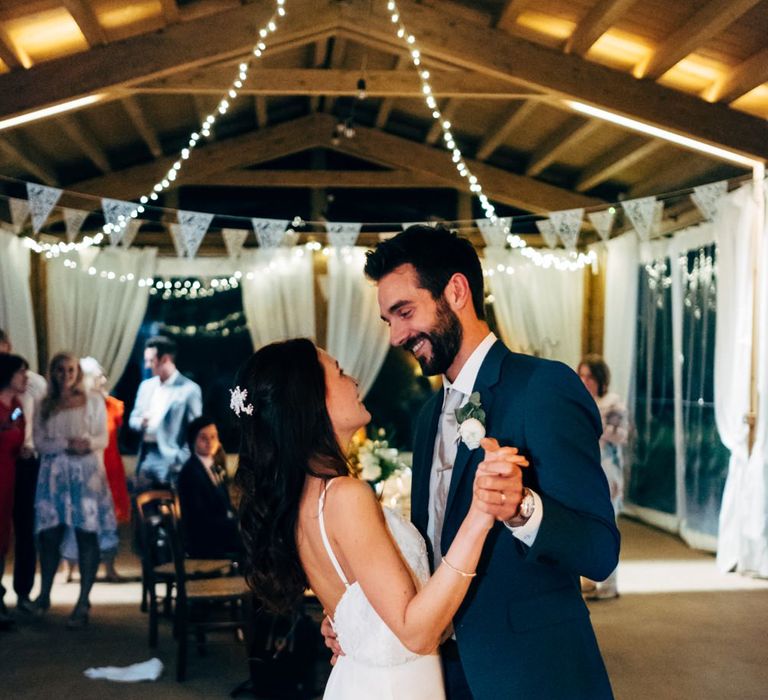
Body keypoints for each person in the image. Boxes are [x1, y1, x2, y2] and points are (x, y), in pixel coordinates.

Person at [323, 225, 619, 699]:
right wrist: (363, 620)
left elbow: (600, 552)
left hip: (534, 675)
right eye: (388, 321)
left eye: (405, 312)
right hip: (442, 674)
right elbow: (428, 557)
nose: (397, 335)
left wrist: (522, 507)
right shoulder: (427, 417)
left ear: (456, 291)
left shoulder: (542, 387)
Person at [234, 339, 522, 699]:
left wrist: (344, 629)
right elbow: (416, 633)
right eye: (338, 372)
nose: (353, 380)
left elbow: (360, 608)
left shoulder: (304, 500)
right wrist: (481, 514)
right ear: (309, 401)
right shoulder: (344, 496)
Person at [33, 352, 118, 628]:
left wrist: (87, 444)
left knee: (86, 533)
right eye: (60, 370)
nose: (66, 375)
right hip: (55, 476)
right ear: (53, 373)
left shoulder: (93, 400)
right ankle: (44, 593)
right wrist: (65, 444)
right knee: (49, 534)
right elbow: (40, 441)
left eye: (71, 370)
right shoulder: (44, 403)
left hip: (85, 475)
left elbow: (102, 437)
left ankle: (83, 600)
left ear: (78, 373)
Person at [62, 357, 128, 584]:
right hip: (82, 468)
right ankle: (69, 566)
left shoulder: (113, 406)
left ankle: (109, 565)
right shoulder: (74, 405)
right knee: (75, 518)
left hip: (109, 467)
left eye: (102, 374)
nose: (103, 379)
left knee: (108, 519)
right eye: (97, 375)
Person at [0, 329, 47, 616]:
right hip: (3, 471)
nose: (25, 376)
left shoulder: (23, 397)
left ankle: (23, 592)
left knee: (25, 529)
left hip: (23, 466)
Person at [578, 354, 628, 600]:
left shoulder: (612, 402)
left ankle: (609, 585)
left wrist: (594, 424)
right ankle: (588, 580)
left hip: (608, 469)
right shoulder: (577, 400)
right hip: (584, 468)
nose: (585, 380)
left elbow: (621, 435)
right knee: (584, 526)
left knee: (607, 525)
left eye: (589, 376)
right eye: (581, 375)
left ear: (600, 379)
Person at [129, 336, 202, 489]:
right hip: (146, 456)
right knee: (144, 506)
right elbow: (132, 420)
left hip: (171, 460)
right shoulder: (146, 386)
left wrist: (180, 459)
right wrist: (141, 422)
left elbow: (195, 431)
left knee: (172, 510)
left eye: (151, 361)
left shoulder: (189, 389)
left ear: (166, 359)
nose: (147, 366)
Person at [177, 416, 242, 560]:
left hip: (219, 529)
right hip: (204, 538)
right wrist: (233, 525)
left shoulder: (214, 466)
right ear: (193, 441)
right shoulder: (190, 472)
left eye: (213, 437)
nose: (210, 442)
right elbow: (199, 517)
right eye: (203, 438)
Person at [0, 353, 28, 629]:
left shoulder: (17, 405)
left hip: (9, 476)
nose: (25, 377)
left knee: (3, 537)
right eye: (21, 372)